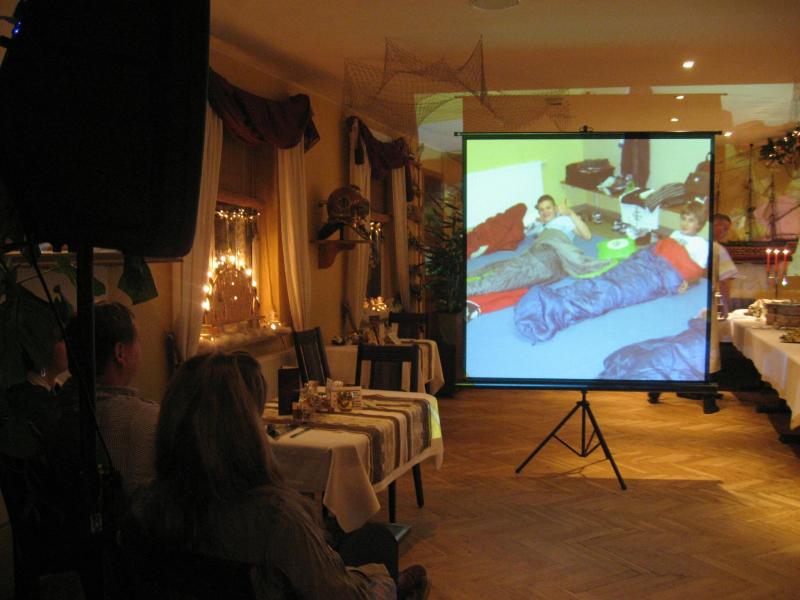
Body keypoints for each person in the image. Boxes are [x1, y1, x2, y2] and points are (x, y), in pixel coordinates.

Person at [127, 351, 429, 600]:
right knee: (378, 542)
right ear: (245, 428)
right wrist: (380, 581)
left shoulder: (146, 509)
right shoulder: (275, 519)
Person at [62, 301, 159, 498]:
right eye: (138, 341)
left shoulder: (53, 408)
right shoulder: (147, 421)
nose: (140, 349)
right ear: (120, 353)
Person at [467, 195, 609, 303]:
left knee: (507, 278)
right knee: (500, 266)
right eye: (542, 210)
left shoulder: (564, 220)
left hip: (548, 254)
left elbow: (587, 235)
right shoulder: (541, 226)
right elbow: (522, 232)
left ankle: (467, 289)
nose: (545, 212)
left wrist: (570, 213)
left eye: (548, 208)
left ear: (555, 208)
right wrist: (539, 223)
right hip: (536, 254)